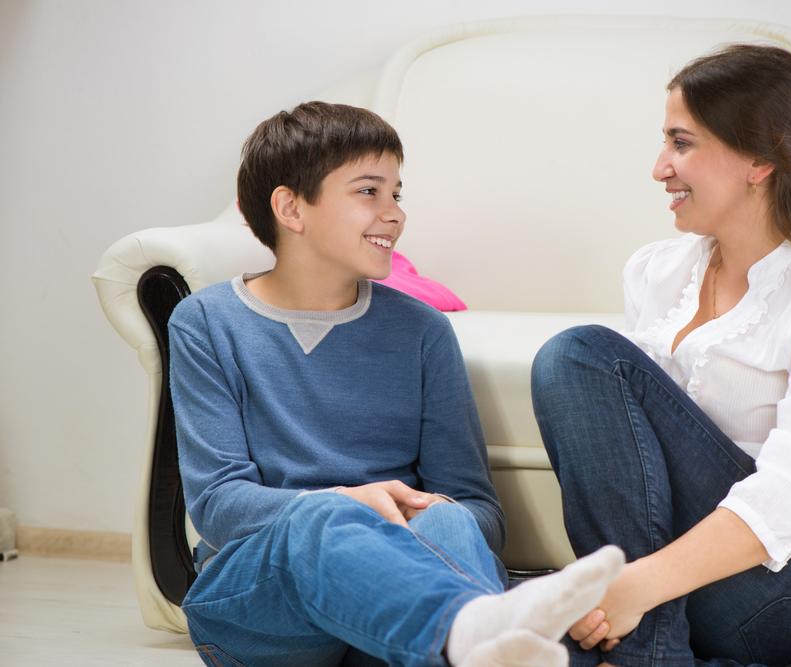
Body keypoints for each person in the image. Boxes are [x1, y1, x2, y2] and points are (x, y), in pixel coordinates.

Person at [169, 101, 625, 667]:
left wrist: (418, 516)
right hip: (261, 613)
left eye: (396, 194)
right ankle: (488, 631)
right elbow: (217, 505)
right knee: (322, 519)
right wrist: (349, 505)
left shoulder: (422, 331)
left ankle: (465, 639)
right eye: (368, 192)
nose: (394, 214)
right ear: (290, 207)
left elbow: (478, 507)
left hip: (389, 617)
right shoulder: (207, 323)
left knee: (452, 517)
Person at [530, 45, 791, 667]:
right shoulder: (655, 273)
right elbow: (633, 478)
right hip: (683, 590)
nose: (660, 168)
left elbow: (790, 498)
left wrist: (631, 588)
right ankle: (653, 653)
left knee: (577, 355)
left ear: (760, 160)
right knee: (507, 638)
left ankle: (639, 650)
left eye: (681, 143)